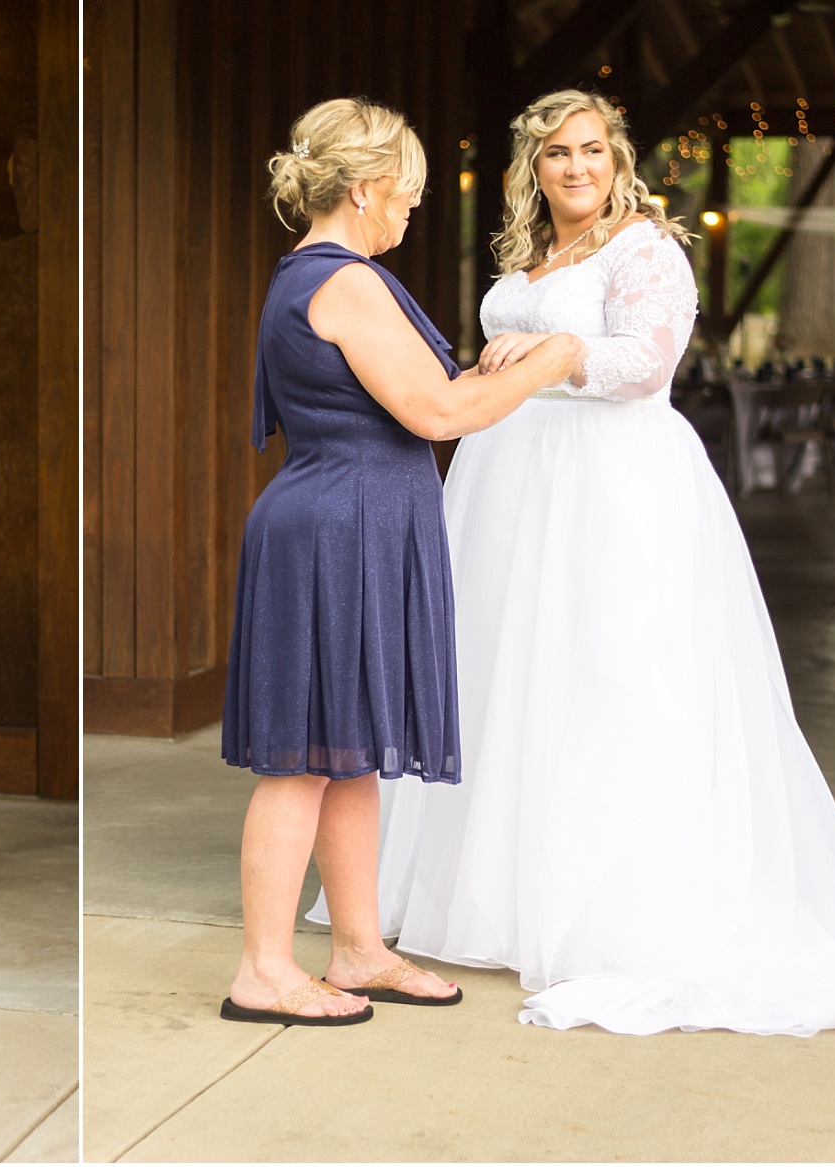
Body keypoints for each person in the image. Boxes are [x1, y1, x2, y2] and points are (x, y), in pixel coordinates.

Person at [317, 89, 835, 1036]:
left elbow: (648, 365)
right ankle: (488, 890)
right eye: (556, 155)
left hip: (609, 483)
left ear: (616, 160)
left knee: (606, 673)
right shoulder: (527, 257)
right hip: (505, 478)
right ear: (532, 169)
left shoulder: (646, 248)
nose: (576, 168)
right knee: (499, 675)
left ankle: (600, 902)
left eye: (591, 151)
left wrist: (558, 352)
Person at [221, 98, 584, 1026]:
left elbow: (428, 395)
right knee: (302, 757)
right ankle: (263, 968)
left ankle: (357, 948)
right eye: (410, 199)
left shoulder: (321, 274)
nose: (411, 214)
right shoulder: (344, 281)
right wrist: (556, 358)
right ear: (369, 188)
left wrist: (503, 364)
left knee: (345, 757)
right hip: (338, 526)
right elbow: (438, 413)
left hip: (353, 519)